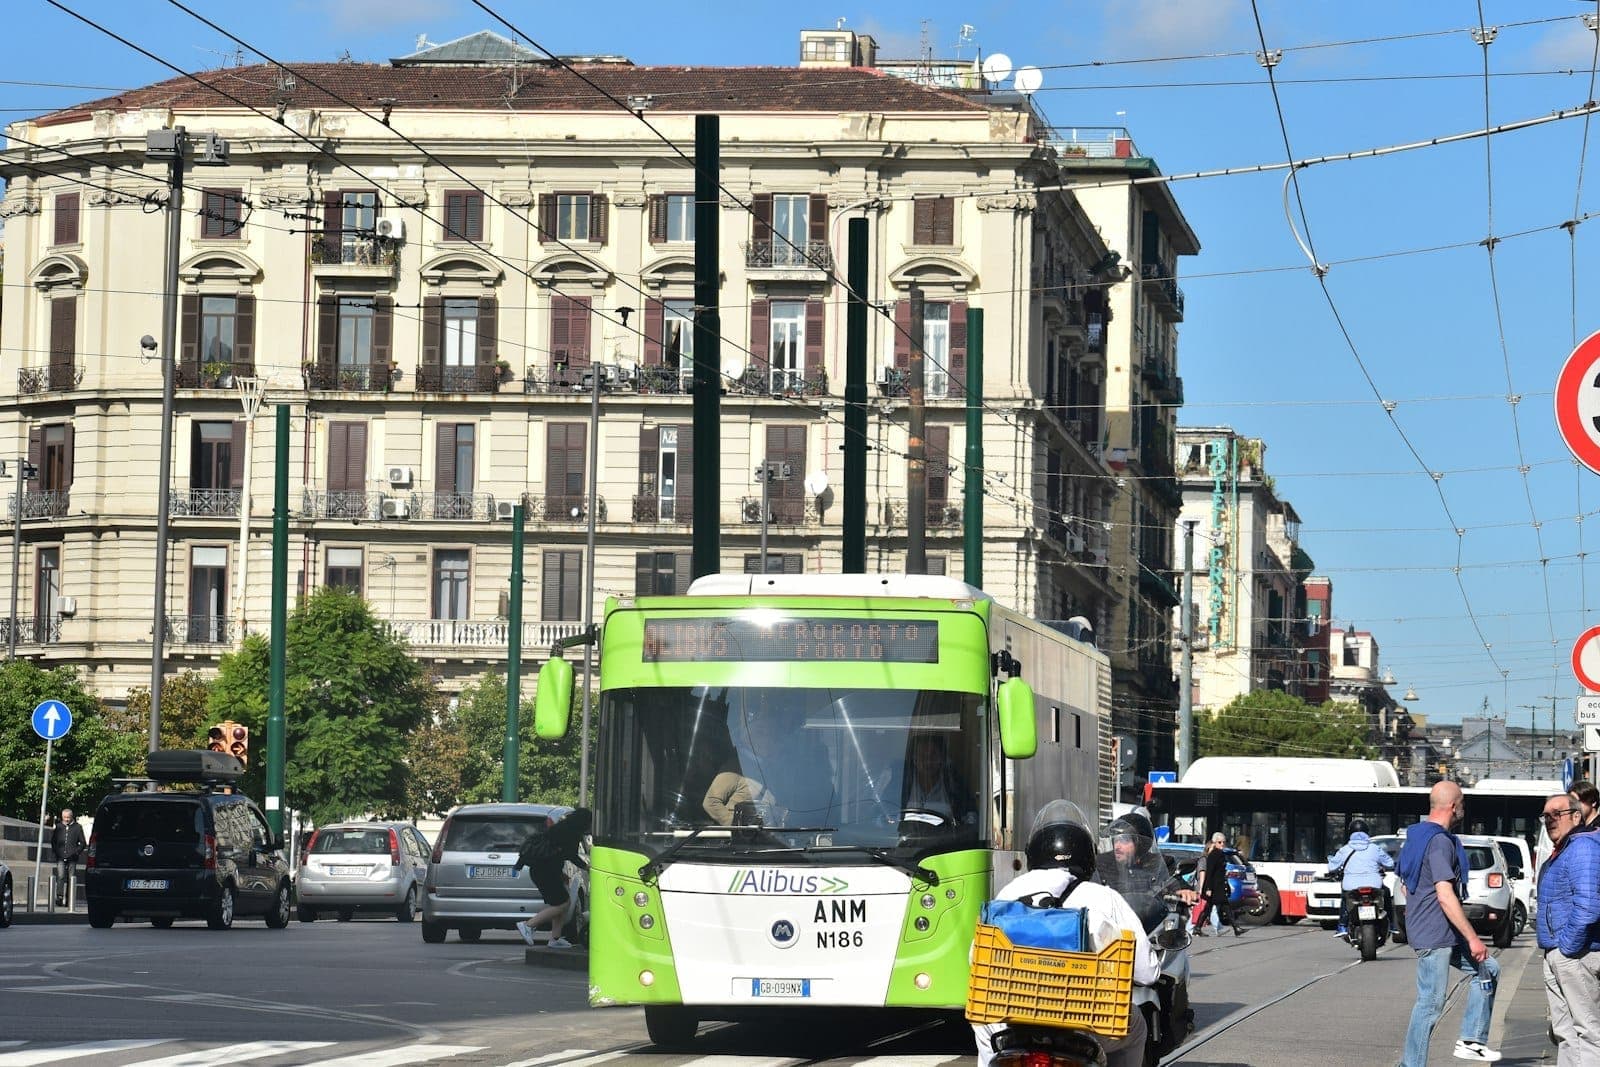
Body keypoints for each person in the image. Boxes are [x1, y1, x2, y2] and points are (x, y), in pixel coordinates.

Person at [972, 800, 1157, 1067]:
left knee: (983, 1027)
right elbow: (1147, 973)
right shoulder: (1104, 897)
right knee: (1137, 1029)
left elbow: (974, 958)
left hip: (1010, 1021)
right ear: (1088, 855)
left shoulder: (1009, 892)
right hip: (1086, 1023)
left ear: (1034, 853)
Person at [1396, 781, 1500, 1065]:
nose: (1464, 808)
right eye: (1463, 803)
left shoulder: (1415, 836)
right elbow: (1444, 894)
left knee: (1488, 969)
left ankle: (1472, 1040)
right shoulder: (1439, 841)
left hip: (1440, 931)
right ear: (1454, 806)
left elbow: (1406, 884)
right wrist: (1473, 938)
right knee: (1430, 1003)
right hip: (1435, 934)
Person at [1535, 792, 1600, 1064]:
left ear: (1576, 816)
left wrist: (1566, 948)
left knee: (1587, 1033)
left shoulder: (1582, 847)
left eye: (1557, 814)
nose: (1550, 820)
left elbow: (1589, 906)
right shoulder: (1565, 848)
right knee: (1565, 1033)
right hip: (1560, 953)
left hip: (1576, 954)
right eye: (1546, 815)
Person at [1096, 810, 1198, 937]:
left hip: (1149, 927)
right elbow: (1089, 883)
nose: (1117, 846)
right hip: (1112, 927)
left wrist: (1185, 891)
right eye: (1116, 840)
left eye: (1124, 840)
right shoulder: (1103, 863)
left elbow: (1173, 880)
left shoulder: (1158, 863)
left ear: (1141, 843)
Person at [515, 808, 592, 949]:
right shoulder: (572, 833)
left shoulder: (561, 827)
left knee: (560, 903)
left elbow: (555, 854)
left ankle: (555, 938)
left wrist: (560, 874)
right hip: (545, 872)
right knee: (563, 904)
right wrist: (587, 867)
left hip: (544, 871)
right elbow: (571, 855)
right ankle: (528, 925)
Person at [1327, 818, 1395, 937]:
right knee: (1387, 893)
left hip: (1350, 886)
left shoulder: (1344, 849)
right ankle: (1392, 924)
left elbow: (1332, 867)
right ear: (1367, 833)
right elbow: (1390, 863)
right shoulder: (1375, 848)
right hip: (1374, 885)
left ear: (1350, 833)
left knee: (1344, 898)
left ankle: (1342, 926)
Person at [900, 732, 976, 826]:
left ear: (942, 759)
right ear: (914, 759)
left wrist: (964, 829)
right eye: (922, 756)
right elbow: (886, 811)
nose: (928, 761)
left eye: (933, 755)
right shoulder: (902, 782)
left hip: (946, 835)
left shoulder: (953, 783)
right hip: (905, 834)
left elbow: (971, 815)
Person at [1192, 832, 1242, 937]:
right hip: (1214, 886)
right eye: (1219, 842)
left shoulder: (1220, 854)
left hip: (1219, 885)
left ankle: (1197, 928)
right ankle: (1236, 928)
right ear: (1214, 843)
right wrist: (1208, 888)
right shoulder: (1213, 855)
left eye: (1224, 842)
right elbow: (1210, 872)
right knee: (1224, 906)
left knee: (1209, 908)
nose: (1222, 844)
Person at [50, 807, 86, 908]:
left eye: (68, 817)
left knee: (71, 878)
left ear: (71, 817)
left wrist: (76, 852)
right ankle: (59, 897)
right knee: (61, 876)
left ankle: (69, 898)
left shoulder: (77, 827)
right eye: (64, 817)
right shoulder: (59, 826)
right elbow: (53, 841)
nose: (66, 819)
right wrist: (56, 852)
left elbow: (83, 843)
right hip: (60, 856)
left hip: (72, 857)